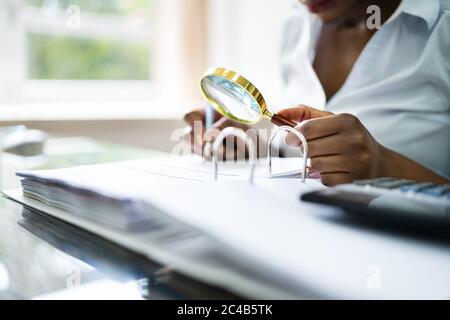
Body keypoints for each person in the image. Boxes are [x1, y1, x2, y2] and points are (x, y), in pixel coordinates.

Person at [184, 0, 450, 186]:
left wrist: (387, 168)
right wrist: (256, 146)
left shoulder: (442, 26)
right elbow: (305, 153)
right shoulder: (297, 23)